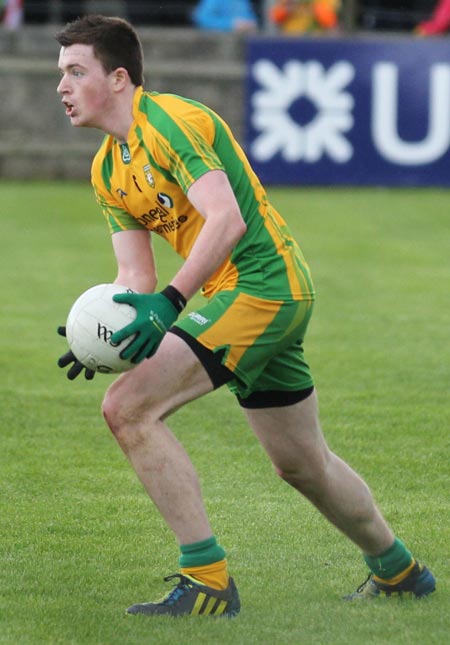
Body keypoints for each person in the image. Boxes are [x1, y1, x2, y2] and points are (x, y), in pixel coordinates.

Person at [55, 14, 436, 617]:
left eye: (76, 71)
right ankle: (399, 571)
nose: (62, 86)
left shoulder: (173, 124)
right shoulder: (107, 170)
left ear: (120, 77)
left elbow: (225, 220)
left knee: (128, 409)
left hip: (266, 286)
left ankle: (206, 580)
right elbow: (136, 280)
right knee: (302, 465)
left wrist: (173, 305)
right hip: (247, 297)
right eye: (61, 74)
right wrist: (99, 336)